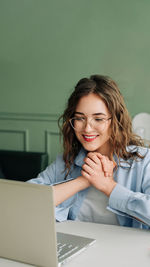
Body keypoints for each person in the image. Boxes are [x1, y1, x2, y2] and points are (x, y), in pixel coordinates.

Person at [28, 75, 150, 229]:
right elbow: (27, 202)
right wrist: (84, 180)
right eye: (80, 118)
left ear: (116, 120)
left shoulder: (144, 161)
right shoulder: (66, 161)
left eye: (98, 119)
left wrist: (107, 186)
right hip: (76, 247)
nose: (87, 128)